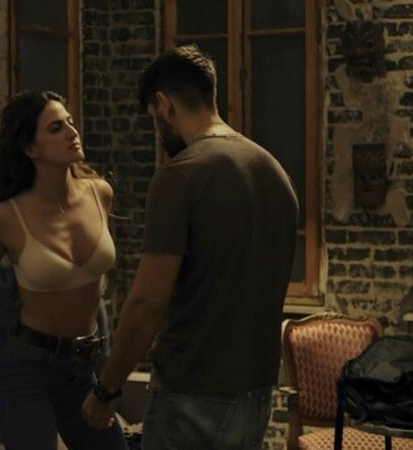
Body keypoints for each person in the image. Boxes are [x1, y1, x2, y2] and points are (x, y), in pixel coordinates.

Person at [82, 44, 299, 449]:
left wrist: (106, 389)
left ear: (165, 106)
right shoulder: (275, 174)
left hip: (193, 391)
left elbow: (147, 303)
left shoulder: (181, 175)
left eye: (153, 119)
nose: (157, 133)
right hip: (255, 392)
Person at [0, 90, 128, 450]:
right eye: (56, 128)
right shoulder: (5, 217)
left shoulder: (100, 193)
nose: (72, 132)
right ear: (30, 148)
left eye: (70, 122)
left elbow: (95, 282)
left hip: (86, 366)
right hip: (27, 368)